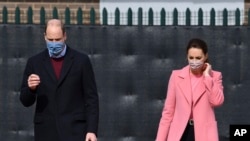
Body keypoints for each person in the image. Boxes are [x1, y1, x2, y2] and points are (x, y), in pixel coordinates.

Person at [20, 19, 99, 141]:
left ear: (65, 36)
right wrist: (31, 89)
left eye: (58, 39)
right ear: (44, 37)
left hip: (75, 131)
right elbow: (25, 100)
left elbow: (91, 98)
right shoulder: (35, 62)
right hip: (46, 132)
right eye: (50, 40)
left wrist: (91, 130)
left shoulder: (81, 61)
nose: (54, 43)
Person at [155, 38, 224, 141]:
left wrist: (207, 77)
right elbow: (168, 112)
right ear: (187, 57)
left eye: (198, 57)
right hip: (180, 133)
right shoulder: (176, 76)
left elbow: (217, 101)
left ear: (205, 56)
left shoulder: (215, 76)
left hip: (204, 134)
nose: (194, 61)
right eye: (191, 57)